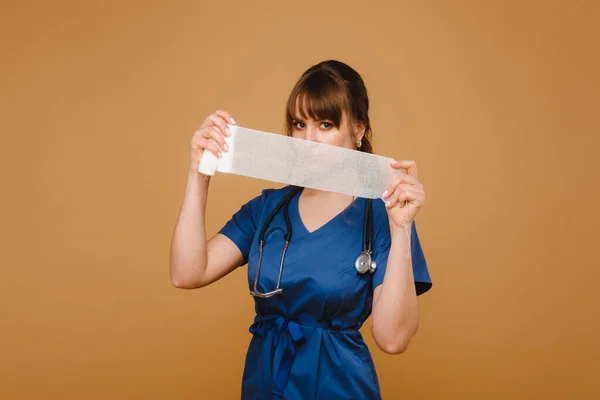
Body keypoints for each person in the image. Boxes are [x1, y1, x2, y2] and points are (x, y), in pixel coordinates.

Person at [169, 60, 432, 399]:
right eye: (298, 124)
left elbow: (393, 339)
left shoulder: (384, 217)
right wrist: (199, 172)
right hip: (266, 388)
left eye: (325, 124)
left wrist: (401, 229)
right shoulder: (267, 209)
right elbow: (187, 273)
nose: (308, 140)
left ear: (358, 131)